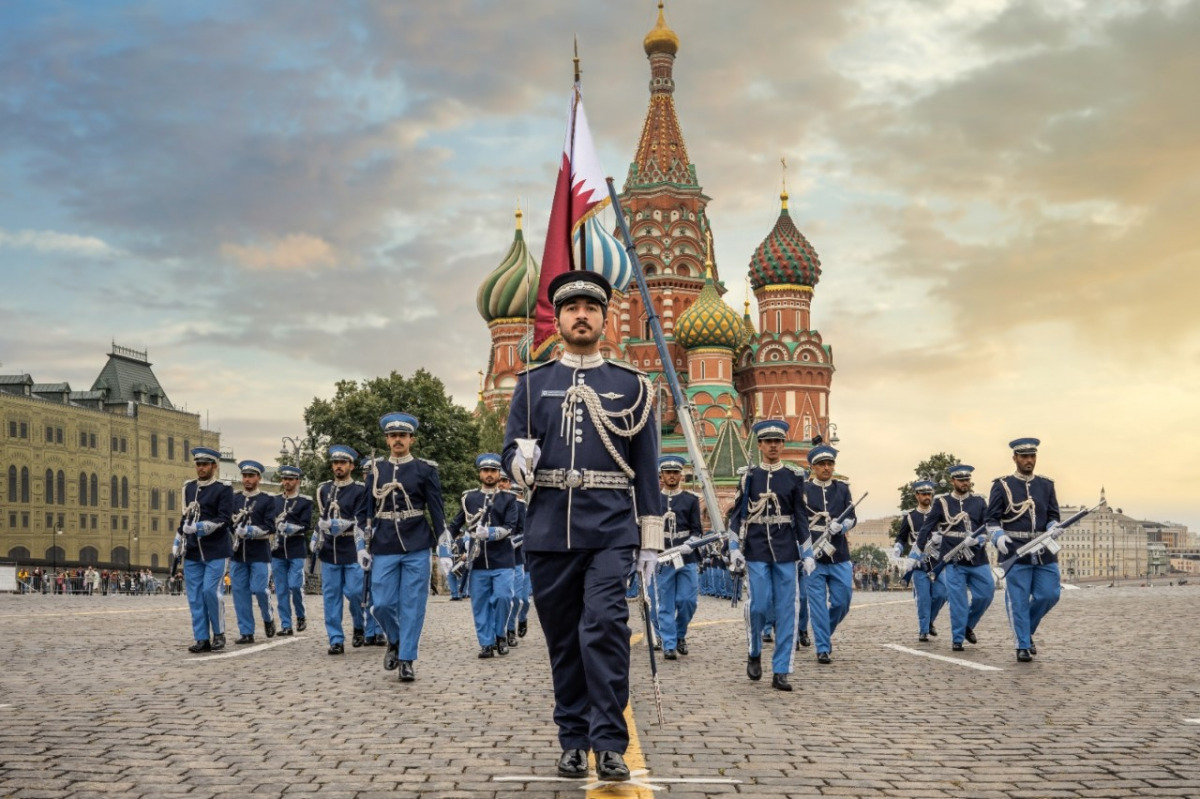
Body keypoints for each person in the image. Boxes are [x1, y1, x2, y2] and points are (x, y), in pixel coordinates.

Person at [502, 270, 662, 782]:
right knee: (564, 641)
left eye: (591, 308)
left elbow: (648, 467)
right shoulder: (532, 385)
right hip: (549, 528)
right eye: (572, 308)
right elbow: (511, 449)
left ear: (604, 317)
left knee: (606, 629)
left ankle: (610, 742)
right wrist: (517, 463)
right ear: (559, 318)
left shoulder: (632, 386)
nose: (581, 315)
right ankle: (573, 737)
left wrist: (650, 540)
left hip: (611, 529)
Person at [728, 420, 811, 691]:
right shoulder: (748, 475)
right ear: (760, 445)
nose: (773, 446)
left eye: (778, 441)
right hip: (756, 547)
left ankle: (781, 669)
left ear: (783, 444)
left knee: (788, 609)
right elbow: (736, 515)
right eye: (768, 442)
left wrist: (807, 551)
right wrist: (733, 549)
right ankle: (754, 650)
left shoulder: (794, 476)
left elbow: (800, 515)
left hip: (786, 548)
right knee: (760, 605)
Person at [366, 412, 445, 682]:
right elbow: (367, 510)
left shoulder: (425, 470)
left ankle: (407, 658)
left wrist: (443, 546)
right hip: (384, 542)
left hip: (417, 542)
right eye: (393, 436)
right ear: (387, 440)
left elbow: (436, 509)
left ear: (411, 439)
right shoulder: (376, 471)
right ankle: (396, 639)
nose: (398, 440)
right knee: (382, 604)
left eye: (403, 435)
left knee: (413, 604)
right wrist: (362, 545)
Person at [987, 438, 1060, 662]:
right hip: (1015, 550)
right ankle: (1022, 644)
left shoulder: (1046, 485)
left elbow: (1053, 515)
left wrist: (1053, 526)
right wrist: (998, 536)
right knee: (1018, 599)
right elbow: (991, 520)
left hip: (1043, 550)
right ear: (1015, 458)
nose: (1029, 461)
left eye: (1032, 456)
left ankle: (1025, 632)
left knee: (1049, 594)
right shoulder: (1002, 485)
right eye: (1024, 456)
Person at [448, 453, 518, 658]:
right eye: (486, 471)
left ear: (498, 474)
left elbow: (511, 526)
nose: (489, 474)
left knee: (504, 598)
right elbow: (455, 524)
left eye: (493, 471)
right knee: (480, 603)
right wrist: (445, 545)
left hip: (502, 558)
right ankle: (486, 643)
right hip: (477, 561)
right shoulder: (469, 498)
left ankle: (500, 635)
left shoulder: (508, 498)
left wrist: (490, 533)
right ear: (480, 473)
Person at [919, 464, 994, 651]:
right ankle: (958, 638)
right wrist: (917, 552)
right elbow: (927, 526)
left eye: (967, 480)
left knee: (986, 593)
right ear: (953, 481)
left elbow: (988, 525)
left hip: (977, 557)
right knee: (958, 600)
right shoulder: (942, 502)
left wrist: (982, 538)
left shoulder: (979, 502)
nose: (964, 483)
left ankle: (968, 624)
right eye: (961, 480)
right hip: (953, 559)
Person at [802, 443, 857, 664]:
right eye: (822, 464)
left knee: (843, 601)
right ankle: (823, 647)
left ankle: (824, 632)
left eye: (830, 464)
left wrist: (842, 526)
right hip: (813, 555)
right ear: (813, 467)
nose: (826, 468)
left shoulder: (842, 489)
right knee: (816, 604)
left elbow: (853, 517)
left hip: (839, 555)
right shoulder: (803, 491)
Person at [314, 445, 371, 655]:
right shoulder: (323, 489)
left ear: (351, 466)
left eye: (343, 463)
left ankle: (358, 624)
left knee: (356, 593)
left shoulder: (359, 490)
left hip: (351, 547)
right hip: (330, 549)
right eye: (335, 463)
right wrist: (317, 533)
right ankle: (335, 639)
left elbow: (360, 518)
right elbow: (322, 516)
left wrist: (341, 525)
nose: (338, 466)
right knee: (331, 597)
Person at [176, 447, 234, 653]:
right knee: (195, 597)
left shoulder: (223, 489)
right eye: (198, 464)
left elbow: (224, 518)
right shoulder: (188, 488)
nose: (201, 468)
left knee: (211, 592)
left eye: (205, 464)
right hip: (192, 550)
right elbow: (185, 517)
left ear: (214, 466)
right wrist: (178, 538)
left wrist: (201, 527)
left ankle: (219, 633)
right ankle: (202, 638)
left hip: (216, 549)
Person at [653, 455, 703, 661]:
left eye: (675, 473)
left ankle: (680, 632)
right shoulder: (654, 499)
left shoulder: (690, 500)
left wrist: (689, 543)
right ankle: (669, 644)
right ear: (661, 475)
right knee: (665, 603)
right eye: (668, 473)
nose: (672, 476)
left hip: (686, 556)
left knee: (687, 601)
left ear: (681, 475)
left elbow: (697, 530)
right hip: (662, 556)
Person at [229, 460, 277, 644]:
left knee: (260, 589)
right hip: (238, 552)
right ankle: (246, 631)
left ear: (258, 477)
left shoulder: (267, 499)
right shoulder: (235, 499)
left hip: (259, 551)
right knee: (240, 593)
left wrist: (250, 531)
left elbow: (270, 526)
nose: (247, 480)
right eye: (244, 476)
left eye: (250, 476)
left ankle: (268, 616)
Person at [898, 481, 946, 642]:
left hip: (937, 562)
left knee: (941, 594)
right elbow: (902, 536)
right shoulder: (910, 516)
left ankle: (930, 621)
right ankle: (924, 629)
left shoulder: (940, 514)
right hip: (919, 564)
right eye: (924, 494)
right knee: (923, 598)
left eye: (929, 494)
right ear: (917, 495)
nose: (927, 497)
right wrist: (898, 547)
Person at [271, 464, 313, 637]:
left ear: (297, 481)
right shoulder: (275, 501)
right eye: (285, 479)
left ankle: (301, 615)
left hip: (295, 548)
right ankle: (286, 624)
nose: (287, 482)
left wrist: (290, 528)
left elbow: (306, 524)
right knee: (281, 589)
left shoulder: (305, 501)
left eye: (290, 479)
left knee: (295, 586)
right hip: (278, 550)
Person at [501, 475, 532, 644]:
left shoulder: (520, 506)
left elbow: (525, 532)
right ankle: (509, 631)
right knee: (507, 598)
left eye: (505, 482)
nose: (502, 485)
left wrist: (508, 543)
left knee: (522, 599)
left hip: (519, 557)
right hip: (501, 560)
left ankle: (522, 618)